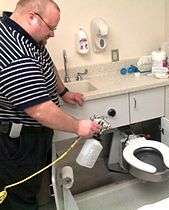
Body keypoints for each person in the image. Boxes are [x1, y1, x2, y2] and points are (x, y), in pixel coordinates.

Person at [0, 0, 101, 209]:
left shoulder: (23, 33)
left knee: (33, 187)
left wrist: (63, 91)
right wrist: (78, 126)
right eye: (51, 28)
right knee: (20, 198)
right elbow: (41, 110)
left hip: (32, 136)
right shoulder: (15, 52)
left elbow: (45, 61)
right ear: (32, 16)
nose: (53, 34)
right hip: (18, 142)